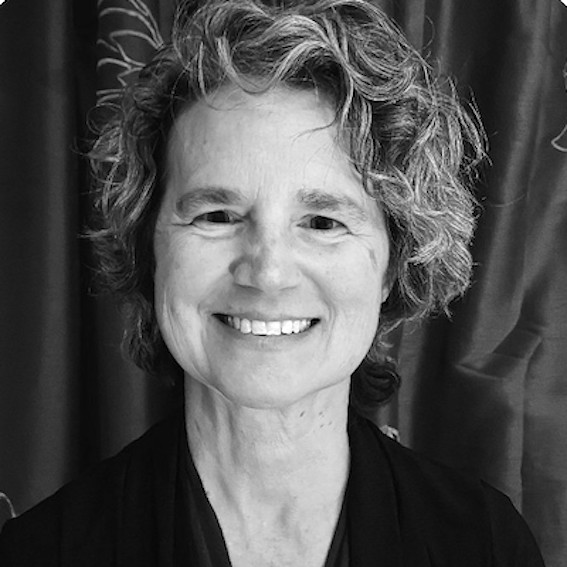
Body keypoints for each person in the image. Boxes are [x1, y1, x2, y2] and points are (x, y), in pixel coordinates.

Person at [0, 0, 546, 565]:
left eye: (323, 223)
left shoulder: (485, 544)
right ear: (149, 248)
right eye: (216, 216)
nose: (267, 273)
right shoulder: (39, 553)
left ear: (394, 264)